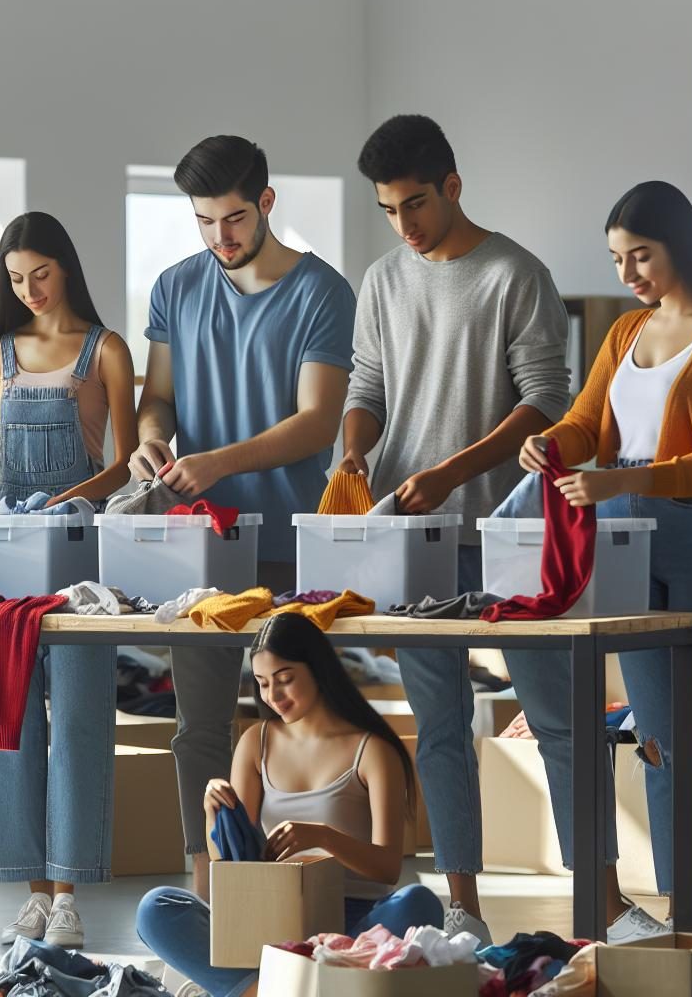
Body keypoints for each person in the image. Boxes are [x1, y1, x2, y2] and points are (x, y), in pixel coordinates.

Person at [507, 180, 692, 940]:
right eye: (618, 259)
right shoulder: (625, 332)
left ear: (679, 244)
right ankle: (678, 911)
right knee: (656, 736)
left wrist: (627, 477)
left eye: (640, 256)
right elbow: (588, 423)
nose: (628, 275)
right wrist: (549, 445)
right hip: (620, 534)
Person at [340, 114, 570, 942]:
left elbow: (546, 399)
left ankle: (597, 903)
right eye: (388, 210)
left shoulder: (515, 274)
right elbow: (365, 385)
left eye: (414, 204)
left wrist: (451, 474)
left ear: (453, 186)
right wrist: (355, 450)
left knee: (554, 716)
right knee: (437, 723)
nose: (403, 225)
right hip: (411, 534)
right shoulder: (381, 280)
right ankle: (463, 905)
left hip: (504, 530)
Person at [129, 135, 356, 899]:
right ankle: (209, 891)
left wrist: (219, 461)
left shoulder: (323, 292)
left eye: (232, 219)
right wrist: (152, 440)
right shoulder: (175, 287)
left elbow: (320, 421)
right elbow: (155, 396)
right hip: (203, 554)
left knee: (296, 726)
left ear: (265, 204)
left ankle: (300, 887)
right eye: (203, 222)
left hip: (293, 549)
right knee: (198, 726)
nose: (219, 238)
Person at [0, 211, 137, 947]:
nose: (28, 289)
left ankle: (70, 893)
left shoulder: (106, 350)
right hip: (11, 560)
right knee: (11, 721)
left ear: (66, 268)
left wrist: (71, 501)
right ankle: (34, 891)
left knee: (82, 723)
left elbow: (125, 463)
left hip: (82, 557)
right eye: (14, 278)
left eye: (40, 273)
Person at [136, 613, 443, 997]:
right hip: (269, 918)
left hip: (351, 926)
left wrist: (323, 838)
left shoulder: (373, 751)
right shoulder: (256, 742)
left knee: (418, 903)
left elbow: (387, 868)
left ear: (318, 669)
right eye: (263, 684)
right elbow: (232, 864)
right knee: (156, 908)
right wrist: (213, 812)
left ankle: (271, 987)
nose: (273, 697)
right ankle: (292, 989)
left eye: (284, 680)